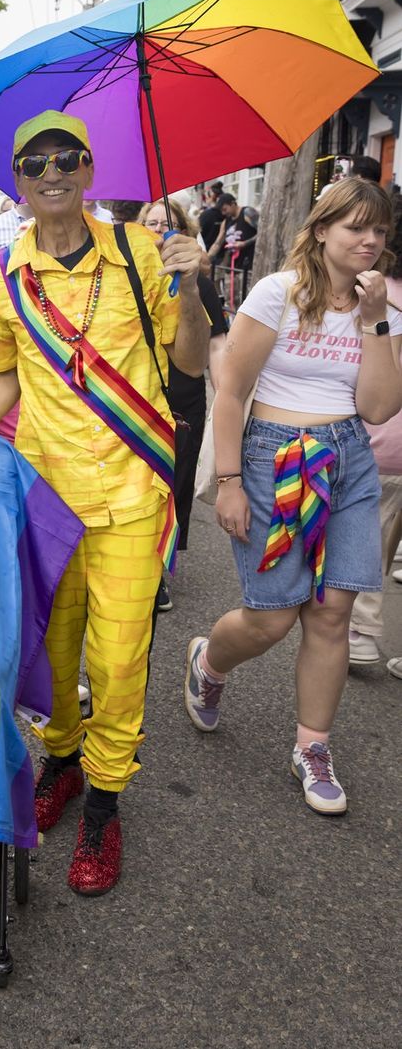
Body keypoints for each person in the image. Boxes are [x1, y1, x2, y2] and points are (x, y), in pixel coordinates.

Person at [0, 110, 208, 895]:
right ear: (18, 181)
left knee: (115, 662)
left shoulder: (141, 254)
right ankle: (64, 757)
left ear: (89, 170)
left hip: (129, 491)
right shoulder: (1, 277)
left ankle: (105, 806)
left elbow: (188, 364)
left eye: (67, 157)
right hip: (47, 496)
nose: (51, 171)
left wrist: (195, 291)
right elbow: (8, 375)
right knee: (50, 656)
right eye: (35, 161)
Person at [185, 179, 402, 817]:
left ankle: (312, 747)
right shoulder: (277, 293)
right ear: (323, 229)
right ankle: (208, 661)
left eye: (380, 231)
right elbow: (229, 393)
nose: (369, 240)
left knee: (333, 612)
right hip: (273, 457)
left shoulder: (381, 307)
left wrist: (375, 322)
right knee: (273, 617)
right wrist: (227, 481)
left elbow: (379, 407)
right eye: (356, 227)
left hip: (349, 460)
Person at [139, 199, 229, 611]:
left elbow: (216, 347)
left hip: (182, 404)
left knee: (172, 488)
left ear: (185, 232)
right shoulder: (127, 278)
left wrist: (228, 401)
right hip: (134, 402)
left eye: (168, 224)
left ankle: (156, 574)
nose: (159, 231)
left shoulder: (202, 287)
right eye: (151, 223)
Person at [347, 199, 402, 668]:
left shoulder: (376, 296)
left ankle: (358, 626)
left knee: (370, 539)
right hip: (384, 444)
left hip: (377, 442)